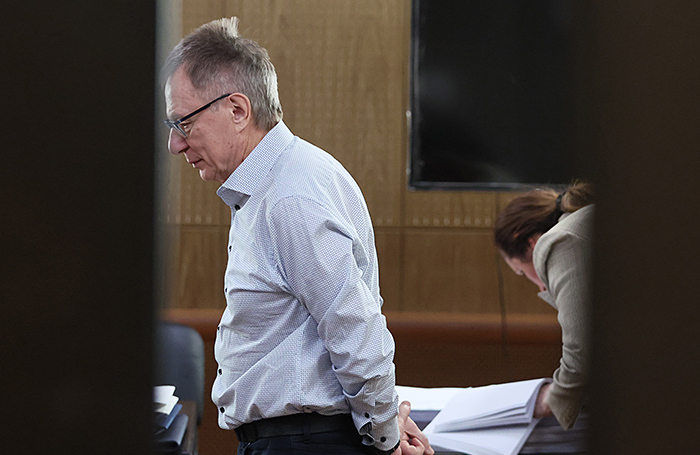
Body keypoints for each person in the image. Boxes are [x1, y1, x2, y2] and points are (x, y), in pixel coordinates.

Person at [161, 17, 433, 455]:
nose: (175, 145)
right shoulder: (276, 182)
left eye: (184, 124)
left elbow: (355, 328)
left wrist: (385, 439)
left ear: (237, 110)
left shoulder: (290, 196)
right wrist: (386, 427)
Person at [493, 181, 594, 430]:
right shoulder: (581, 226)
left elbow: (583, 346)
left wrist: (553, 399)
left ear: (530, 242)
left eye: (521, 272)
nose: (540, 289)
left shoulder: (559, 242)